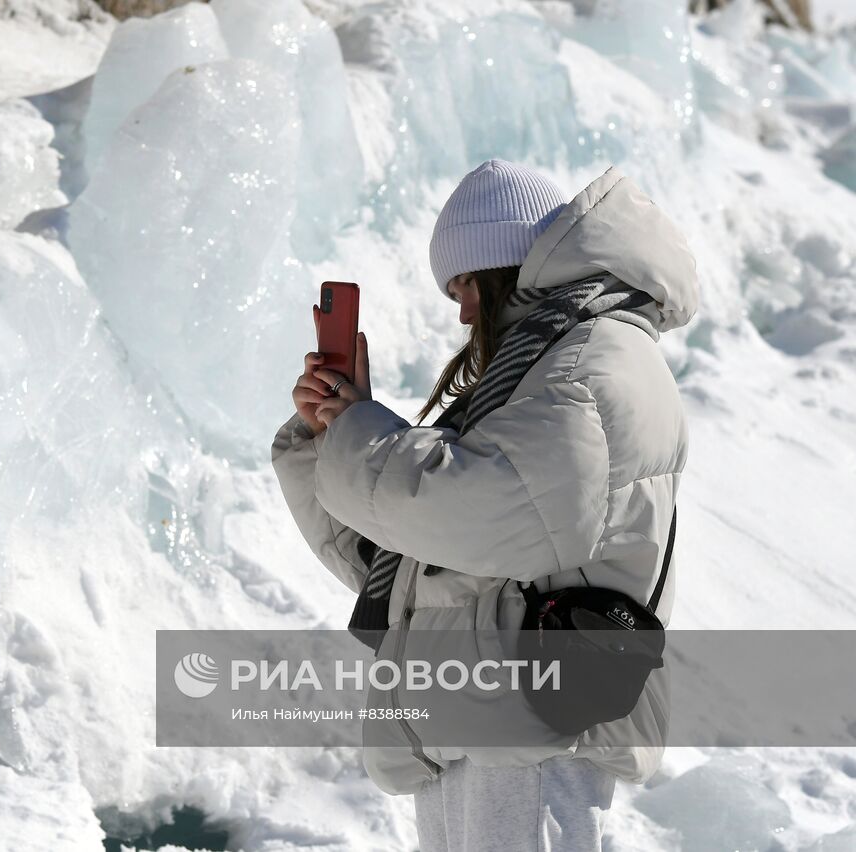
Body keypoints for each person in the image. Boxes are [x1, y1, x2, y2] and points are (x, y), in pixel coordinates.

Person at [270, 159, 699, 851]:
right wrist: (329, 440)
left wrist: (364, 436)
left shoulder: (590, 361)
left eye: (466, 284)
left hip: (532, 726)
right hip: (483, 719)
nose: (463, 311)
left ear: (505, 267)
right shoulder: (542, 367)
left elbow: (489, 518)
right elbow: (419, 571)